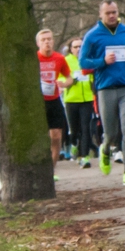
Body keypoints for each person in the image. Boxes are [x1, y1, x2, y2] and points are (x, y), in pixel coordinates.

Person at [79, 0, 125, 184]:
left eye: (114, 12)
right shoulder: (92, 36)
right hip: (105, 88)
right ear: (101, 14)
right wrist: (102, 61)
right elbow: (83, 62)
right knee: (111, 133)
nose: (112, 16)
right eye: (108, 13)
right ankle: (105, 149)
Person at [36, 28, 73, 178]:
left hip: (54, 101)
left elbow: (69, 78)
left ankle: (51, 170)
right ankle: (40, 168)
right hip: (38, 103)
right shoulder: (34, 58)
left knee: (56, 136)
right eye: (43, 40)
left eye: (49, 39)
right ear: (38, 43)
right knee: (41, 137)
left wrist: (63, 84)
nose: (47, 42)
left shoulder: (59, 58)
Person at [62, 37, 96, 168]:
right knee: (75, 130)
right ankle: (74, 144)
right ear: (70, 49)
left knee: (86, 128)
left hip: (87, 99)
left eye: (81, 46)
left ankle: (85, 156)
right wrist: (70, 82)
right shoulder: (65, 61)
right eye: (75, 47)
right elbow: (61, 79)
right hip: (71, 100)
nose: (78, 49)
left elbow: (93, 77)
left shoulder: (88, 60)